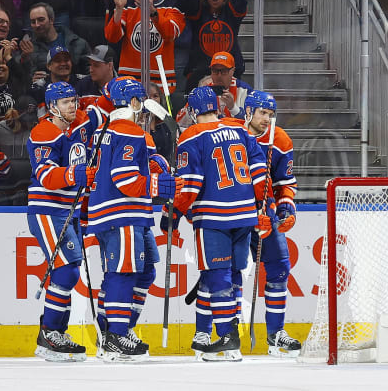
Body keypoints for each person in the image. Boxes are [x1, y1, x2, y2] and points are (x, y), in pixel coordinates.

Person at [166, 86, 271, 362]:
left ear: (191, 111)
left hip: (214, 217)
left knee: (218, 277)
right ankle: (230, 340)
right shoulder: (239, 129)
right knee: (234, 276)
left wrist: (175, 212)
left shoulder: (191, 135)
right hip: (244, 215)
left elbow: (190, 184)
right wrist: (262, 207)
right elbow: (260, 170)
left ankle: (226, 339)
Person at [86, 78, 181, 362]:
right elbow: (124, 178)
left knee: (144, 271)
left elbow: (129, 164)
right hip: (122, 212)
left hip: (116, 212)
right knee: (123, 272)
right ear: (135, 102)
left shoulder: (105, 130)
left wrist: (156, 164)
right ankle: (116, 335)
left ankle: (114, 329)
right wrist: (159, 186)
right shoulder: (129, 130)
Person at [27, 81, 97, 362]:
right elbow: (46, 177)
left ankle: (55, 333)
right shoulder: (43, 132)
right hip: (47, 210)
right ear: (52, 106)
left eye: (73, 100)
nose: (73, 105)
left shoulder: (78, 122)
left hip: (68, 210)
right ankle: (50, 334)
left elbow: (101, 111)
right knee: (66, 272)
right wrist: (74, 176)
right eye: (66, 102)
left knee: (67, 272)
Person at [239, 90, 301, 357]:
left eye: (271, 114)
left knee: (278, 271)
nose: (267, 118)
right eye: (263, 112)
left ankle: (276, 335)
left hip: (267, 216)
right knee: (228, 276)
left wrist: (286, 207)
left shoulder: (280, 139)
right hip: (236, 215)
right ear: (249, 111)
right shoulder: (232, 134)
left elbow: (284, 183)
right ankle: (225, 335)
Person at [105, 0, 185, 92]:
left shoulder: (173, 7)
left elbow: (170, 33)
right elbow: (112, 37)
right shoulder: (127, 7)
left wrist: (151, 10)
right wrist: (119, 8)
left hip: (160, 84)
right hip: (129, 82)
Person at [178, 0, 247, 91]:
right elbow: (187, 2)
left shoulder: (233, 11)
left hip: (229, 71)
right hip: (199, 72)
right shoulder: (198, 10)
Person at [176, 51, 252, 130]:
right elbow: (180, 121)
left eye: (223, 71)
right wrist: (196, 105)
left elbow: (252, 123)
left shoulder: (244, 90)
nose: (219, 76)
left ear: (232, 71)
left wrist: (233, 108)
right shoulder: (203, 90)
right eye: (215, 71)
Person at [26, 2, 91, 76]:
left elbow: (91, 73)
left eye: (41, 20)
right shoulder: (29, 48)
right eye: (33, 22)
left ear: (51, 20)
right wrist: (32, 81)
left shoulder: (77, 43)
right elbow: (26, 76)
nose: (37, 25)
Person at [29, 45, 83, 116]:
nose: (63, 64)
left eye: (66, 60)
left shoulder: (82, 82)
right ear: (49, 66)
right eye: (58, 61)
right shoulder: (39, 87)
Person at [76, 45, 117, 109]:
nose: (91, 70)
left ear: (110, 65)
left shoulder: (121, 86)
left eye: (96, 65)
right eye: (90, 65)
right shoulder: (83, 85)